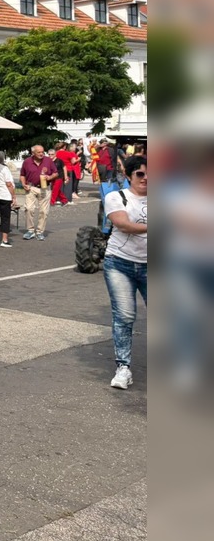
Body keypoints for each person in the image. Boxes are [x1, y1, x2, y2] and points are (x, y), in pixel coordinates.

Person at [103, 155, 147, 390]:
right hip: (120, 263)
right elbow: (123, 224)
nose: (146, 178)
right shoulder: (116, 196)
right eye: (140, 173)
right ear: (130, 176)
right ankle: (123, 368)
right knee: (124, 316)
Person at [19, 144, 58, 240]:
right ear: (33, 153)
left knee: (44, 211)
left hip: (45, 188)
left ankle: (40, 231)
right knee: (29, 208)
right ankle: (30, 230)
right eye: (39, 152)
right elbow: (22, 174)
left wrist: (50, 177)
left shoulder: (48, 160)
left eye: (42, 152)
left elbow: (56, 173)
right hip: (31, 187)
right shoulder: (27, 162)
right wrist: (24, 184)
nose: (41, 154)